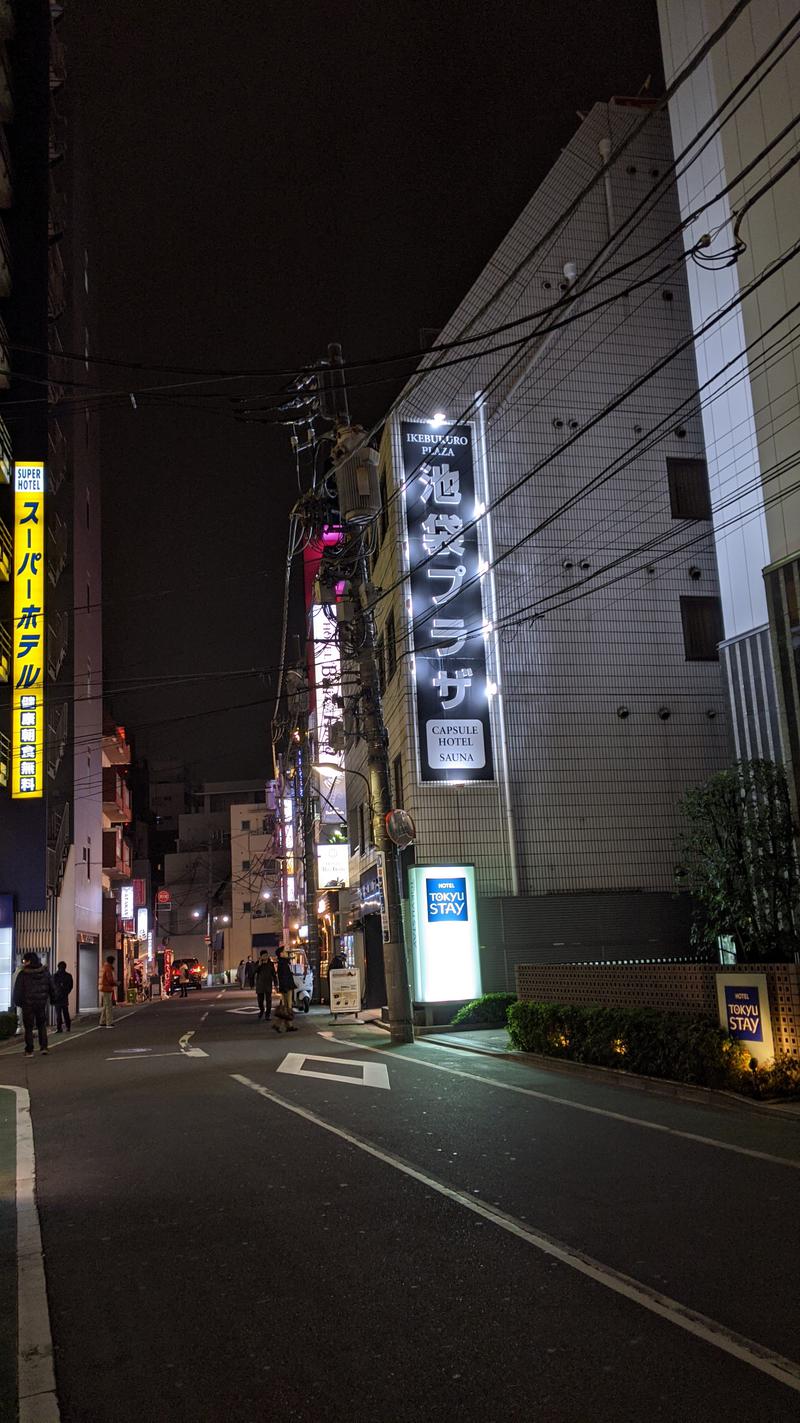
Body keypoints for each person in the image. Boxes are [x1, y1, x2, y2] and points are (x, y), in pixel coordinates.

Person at [13, 952, 55, 1056]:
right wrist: (53, 999)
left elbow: (18, 990)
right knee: (41, 1025)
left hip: (27, 1004)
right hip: (41, 1003)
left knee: (29, 1027)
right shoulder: (45, 972)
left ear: (29, 961)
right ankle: (44, 1047)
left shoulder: (23, 974)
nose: (24, 962)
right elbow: (52, 987)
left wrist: (18, 1002)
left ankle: (29, 1050)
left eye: (24, 960)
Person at [273, 946, 297, 1033]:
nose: (286, 953)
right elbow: (283, 977)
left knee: (286, 1008)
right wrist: (285, 988)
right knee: (287, 1007)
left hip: (287, 986)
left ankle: (287, 1026)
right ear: (281, 954)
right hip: (287, 987)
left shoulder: (284, 963)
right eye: (284, 952)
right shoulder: (282, 964)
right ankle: (281, 1025)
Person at [254, 950, 276, 1020]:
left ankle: (267, 1015)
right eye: (264, 956)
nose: (265, 957)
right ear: (261, 956)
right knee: (260, 1001)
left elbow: (274, 974)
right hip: (260, 984)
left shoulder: (271, 963)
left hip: (268, 984)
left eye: (266, 955)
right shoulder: (258, 963)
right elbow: (254, 971)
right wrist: (259, 965)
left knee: (268, 1000)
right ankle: (262, 1010)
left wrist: (276, 984)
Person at [53, 960, 74, 1033]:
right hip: (64, 996)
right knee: (66, 1013)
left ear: (58, 967)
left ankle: (59, 1028)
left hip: (57, 997)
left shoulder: (55, 975)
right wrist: (67, 992)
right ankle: (68, 1027)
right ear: (65, 967)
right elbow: (71, 986)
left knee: (58, 1014)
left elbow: (52, 986)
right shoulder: (68, 976)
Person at [99, 955, 116, 1027]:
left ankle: (102, 1021)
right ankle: (109, 1023)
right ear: (111, 961)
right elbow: (110, 979)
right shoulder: (108, 968)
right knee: (109, 1006)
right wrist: (116, 983)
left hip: (103, 987)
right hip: (107, 988)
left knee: (105, 1005)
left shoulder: (104, 967)